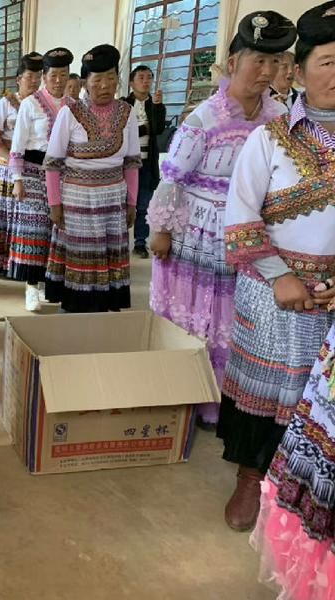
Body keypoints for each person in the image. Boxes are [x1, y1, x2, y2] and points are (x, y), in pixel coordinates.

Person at [148, 12, 294, 431]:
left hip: (247, 238)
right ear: (233, 65)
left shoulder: (278, 118)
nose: (266, 73)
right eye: (257, 62)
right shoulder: (203, 119)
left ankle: (223, 404)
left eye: (275, 63)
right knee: (195, 317)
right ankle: (184, 399)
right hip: (196, 235)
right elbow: (173, 177)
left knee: (233, 319)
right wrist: (160, 230)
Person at [220, 9, 335, 535]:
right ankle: (250, 475)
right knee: (267, 387)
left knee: (318, 403)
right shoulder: (267, 139)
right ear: (298, 69)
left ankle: (310, 492)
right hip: (272, 290)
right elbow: (240, 218)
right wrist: (281, 277)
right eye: (330, 61)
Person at [43, 45, 141, 313]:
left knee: (110, 256)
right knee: (81, 256)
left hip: (113, 200)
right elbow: (52, 163)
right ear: (85, 83)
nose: (105, 86)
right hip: (78, 200)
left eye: (111, 78)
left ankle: (105, 310)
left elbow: (132, 162)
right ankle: (77, 309)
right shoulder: (69, 113)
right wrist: (55, 204)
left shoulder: (127, 113)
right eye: (97, 80)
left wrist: (132, 202)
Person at [9, 48, 71, 311]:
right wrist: (17, 178)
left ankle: (50, 282)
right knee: (35, 230)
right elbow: (18, 143)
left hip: (64, 176)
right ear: (44, 76)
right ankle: (31, 286)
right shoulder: (30, 104)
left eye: (63, 75)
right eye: (53, 75)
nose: (58, 80)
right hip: (34, 172)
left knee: (58, 230)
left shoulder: (73, 105)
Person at [0, 52, 43, 277]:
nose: (34, 81)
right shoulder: (6, 103)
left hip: (33, 169)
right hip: (5, 167)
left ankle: (23, 262)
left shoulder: (43, 104)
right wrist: (12, 160)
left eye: (38, 76)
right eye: (29, 76)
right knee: (2, 215)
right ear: (18, 79)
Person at [122, 65, 166, 259]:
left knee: (143, 205)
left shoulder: (155, 104)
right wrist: (142, 130)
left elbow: (156, 130)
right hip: (125, 164)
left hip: (147, 163)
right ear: (131, 82)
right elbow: (122, 132)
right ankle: (120, 240)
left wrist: (157, 107)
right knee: (122, 204)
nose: (146, 81)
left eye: (149, 77)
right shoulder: (123, 104)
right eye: (141, 77)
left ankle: (140, 242)